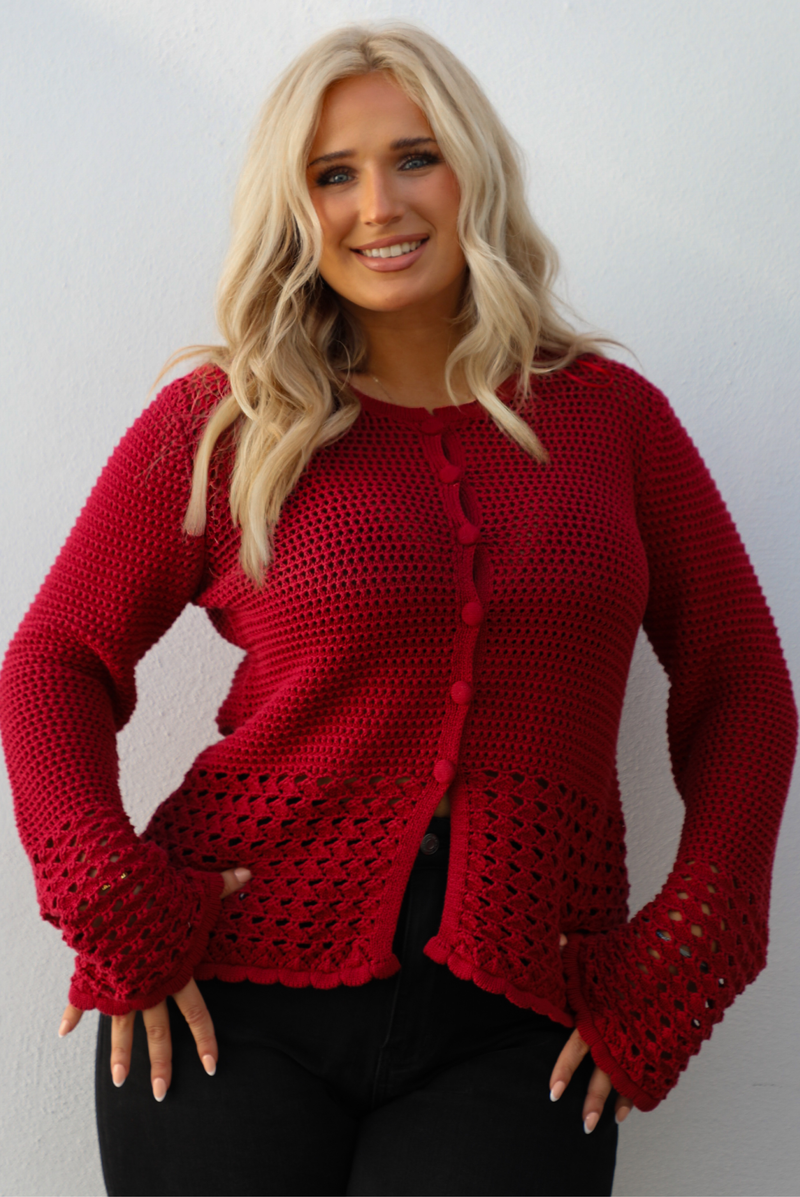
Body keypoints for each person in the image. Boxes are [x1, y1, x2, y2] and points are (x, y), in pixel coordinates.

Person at [0, 20, 796, 1197]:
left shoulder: (609, 418)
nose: (379, 203)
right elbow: (53, 661)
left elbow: (738, 679)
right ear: (295, 204)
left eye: (412, 156)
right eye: (333, 174)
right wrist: (107, 894)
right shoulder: (224, 421)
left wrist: (700, 937)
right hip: (232, 995)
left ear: (471, 167)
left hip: (519, 1001)